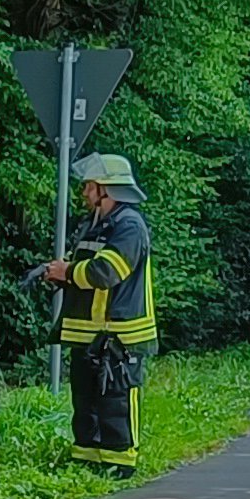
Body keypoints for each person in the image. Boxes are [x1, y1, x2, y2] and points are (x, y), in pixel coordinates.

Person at [40, 150, 155, 468]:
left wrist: (68, 271)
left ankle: (119, 465)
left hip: (118, 334)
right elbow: (85, 273)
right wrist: (61, 275)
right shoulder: (97, 224)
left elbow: (106, 272)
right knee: (86, 402)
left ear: (107, 189)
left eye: (90, 186)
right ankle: (87, 462)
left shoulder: (129, 226)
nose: (85, 192)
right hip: (89, 334)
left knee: (115, 400)